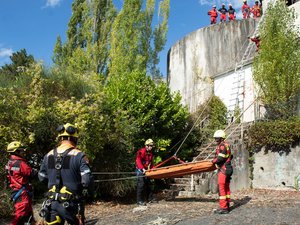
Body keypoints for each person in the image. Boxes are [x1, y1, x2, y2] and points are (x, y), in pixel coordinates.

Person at [38, 123, 93, 225]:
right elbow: (87, 180)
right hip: (71, 205)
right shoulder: (79, 155)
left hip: (51, 203)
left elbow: (42, 177)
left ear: (60, 139)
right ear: (75, 139)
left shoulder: (48, 155)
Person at [5, 141, 37, 225]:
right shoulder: (20, 163)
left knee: (28, 216)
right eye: (21, 150)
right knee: (20, 216)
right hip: (22, 193)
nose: (23, 152)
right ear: (16, 151)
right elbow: (31, 173)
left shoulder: (9, 162)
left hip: (16, 190)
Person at [211, 130, 233, 214]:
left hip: (224, 170)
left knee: (221, 188)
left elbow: (220, 158)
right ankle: (227, 205)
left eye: (217, 139)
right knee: (226, 187)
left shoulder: (222, 146)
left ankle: (223, 208)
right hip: (228, 168)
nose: (216, 140)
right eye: (215, 139)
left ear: (221, 138)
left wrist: (212, 161)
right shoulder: (227, 145)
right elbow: (231, 156)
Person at [136, 138, 155, 206]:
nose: (151, 147)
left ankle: (150, 199)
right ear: (146, 146)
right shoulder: (142, 151)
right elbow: (138, 160)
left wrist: (153, 169)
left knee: (149, 184)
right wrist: (142, 169)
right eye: (150, 146)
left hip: (147, 171)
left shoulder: (150, 154)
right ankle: (139, 201)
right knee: (141, 185)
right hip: (140, 170)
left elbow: (151, 163)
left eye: (152, 146)